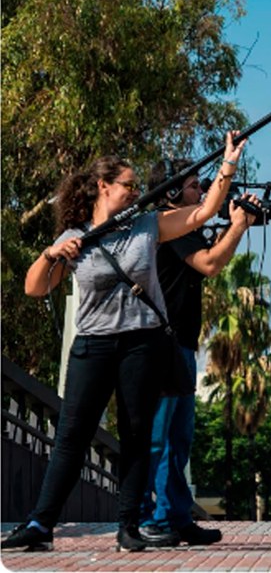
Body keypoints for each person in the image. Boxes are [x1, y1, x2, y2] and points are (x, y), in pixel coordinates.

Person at [1, 131, 245, 553]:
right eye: (129, 185)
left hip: (141, 345)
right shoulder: (74, 239)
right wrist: (49, 256)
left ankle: (128, 526)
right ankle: (41, 524)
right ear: (103, 187)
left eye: (136, 186)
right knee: (72, 437)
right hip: (93, 346)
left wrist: (228, 164)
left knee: (136, 436)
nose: (136, 192)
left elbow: (202, 212)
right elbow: (35, 289)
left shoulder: (147, 226)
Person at [137, 159, 257, 547]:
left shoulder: (184, 228)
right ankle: (143, 518)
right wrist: (237, 226)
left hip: (182, 345)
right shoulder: (167, 224)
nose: (201, 194)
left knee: (178, 438)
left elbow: (210, 253)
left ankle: (175, 516)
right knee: (155, 438)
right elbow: (209, 264)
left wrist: (234, 223)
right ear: (171, 193)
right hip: (160, 344)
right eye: (193, 187)